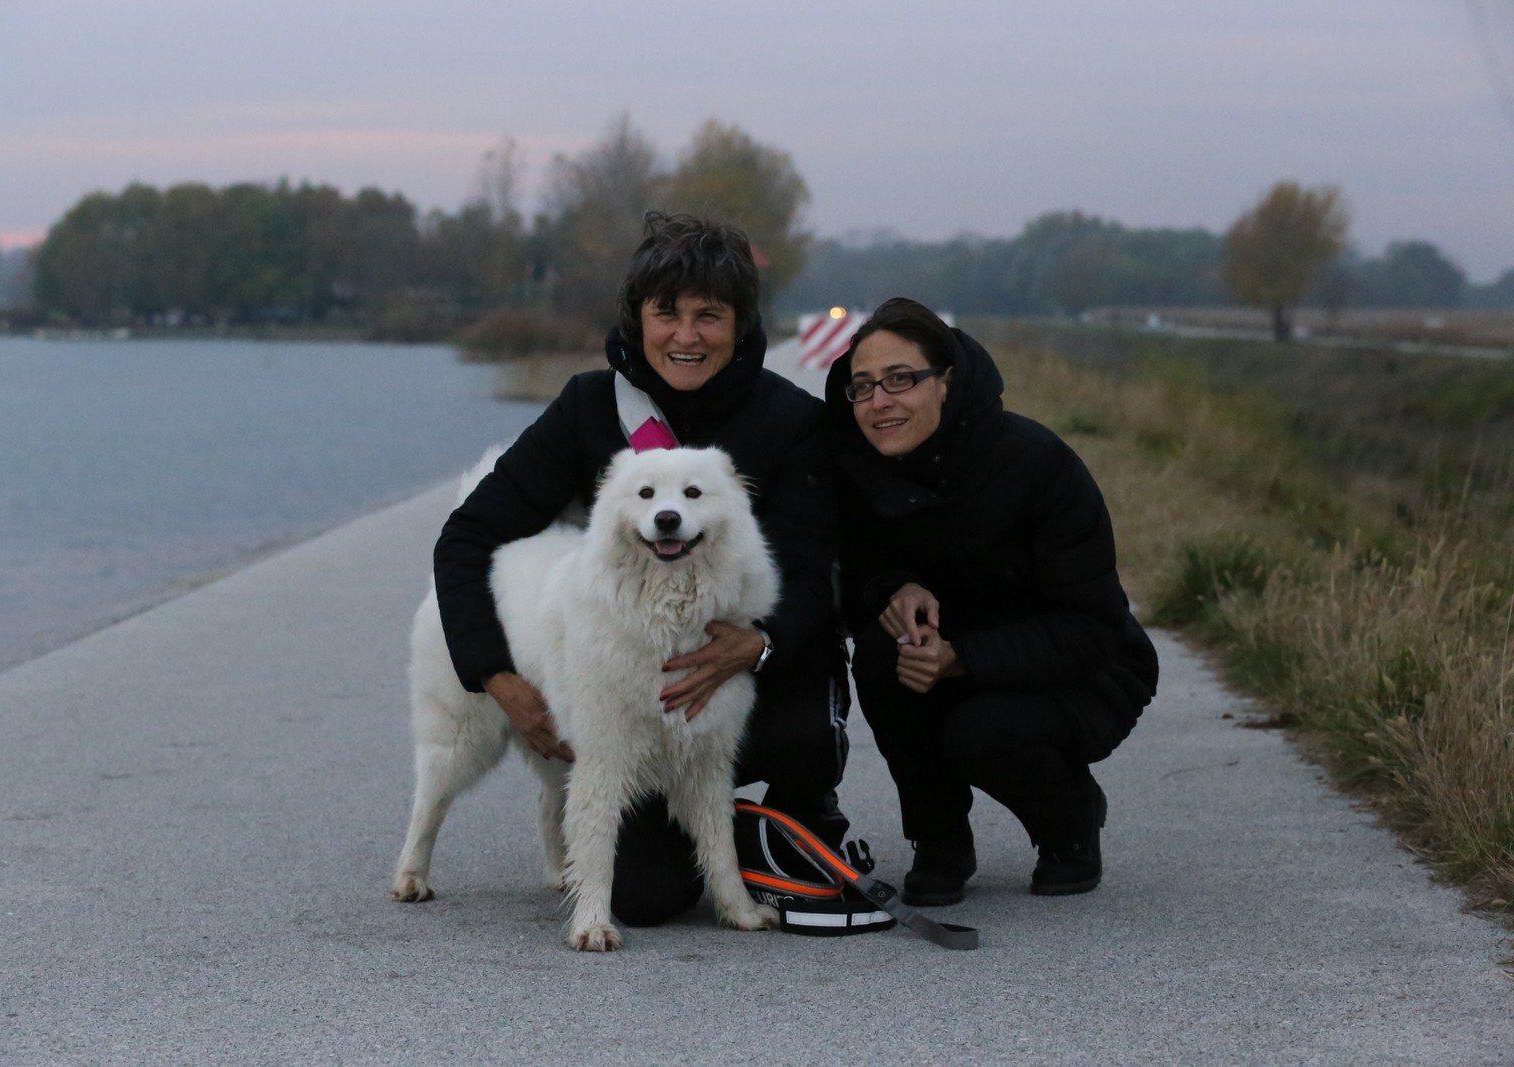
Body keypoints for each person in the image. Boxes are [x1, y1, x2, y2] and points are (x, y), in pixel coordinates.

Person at [434, 212, 850, 925]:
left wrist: (761, 641)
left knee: (798, 736)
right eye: (667, 314)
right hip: (636, 698)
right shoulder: (587, 409)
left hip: (759, 683)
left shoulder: (792, 421)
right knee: (646, 899)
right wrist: (497, 675)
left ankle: (793, 809)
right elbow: (467, 537)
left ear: (742, 322)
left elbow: (820, 568)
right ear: (638, 317)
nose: (685, 336)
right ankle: (718, 837)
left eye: (708, 316)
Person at [822, 297, 1158, 904]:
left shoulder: (1036, 463)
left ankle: (1070, 824)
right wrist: (892, 588)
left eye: (901, 379)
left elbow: (1092, 626)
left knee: (980, 733)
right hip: (946, 655)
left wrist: (962, 658)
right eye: (863, 386)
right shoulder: (857, 469)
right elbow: (849, 572)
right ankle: (939, 839)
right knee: (880, 651)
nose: (880, 401)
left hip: (1084, 672)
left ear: (946, 380)